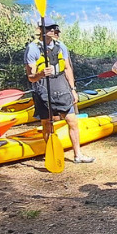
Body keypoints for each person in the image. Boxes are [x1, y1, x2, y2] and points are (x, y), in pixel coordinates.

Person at [26, 23, 92, 163]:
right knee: (47, 123)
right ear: (42, 31)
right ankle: (52, 152)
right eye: (49, 29)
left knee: (72, 120)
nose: (53, 31)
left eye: (54, 29)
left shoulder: (61, 45)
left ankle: (78, 154)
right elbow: (30, 77)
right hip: (43, 86)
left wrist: (73, 89)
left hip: (61, 84)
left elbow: (67, 68)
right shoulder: (32, 48)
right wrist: (40, 74)